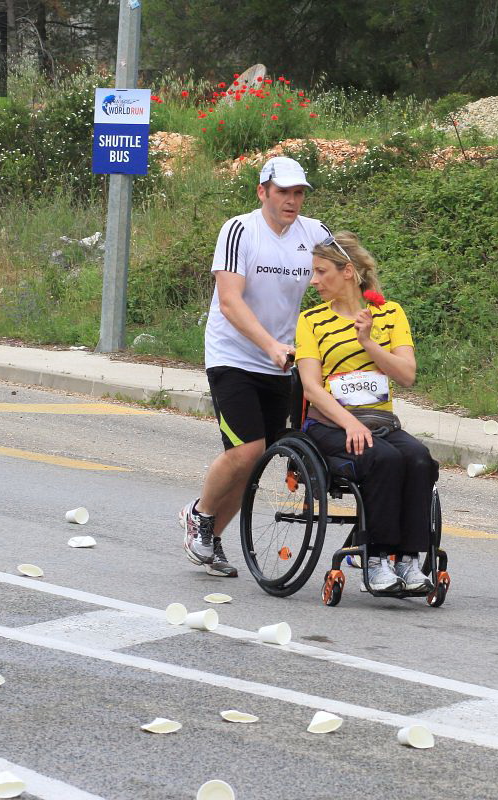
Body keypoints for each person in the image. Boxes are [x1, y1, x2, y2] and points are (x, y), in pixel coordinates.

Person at [180, 156, 331, 577]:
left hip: (282, 363)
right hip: (234, 356)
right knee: (248, 449)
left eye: (299, 193)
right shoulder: (240, 230)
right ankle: (199, 515)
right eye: (283, 191)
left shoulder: (315, 233)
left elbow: (343, 278)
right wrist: (269, 345)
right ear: (262, 191)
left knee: (256, 459)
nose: (292, 201)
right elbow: (229, 301)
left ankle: (211, 540)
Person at [294, 231, 438, 594]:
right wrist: (349, 423)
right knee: (384, 459)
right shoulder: (311, 321)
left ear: (348, 272)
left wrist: (368, 343)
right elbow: (311, 386)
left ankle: (407, 560)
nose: (314, 281)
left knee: (419, 459)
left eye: (321, 271)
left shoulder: (389, 314)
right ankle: (374, 559)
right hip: (331, 423)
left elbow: (406, 375)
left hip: (381, 421)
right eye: (313, 271)